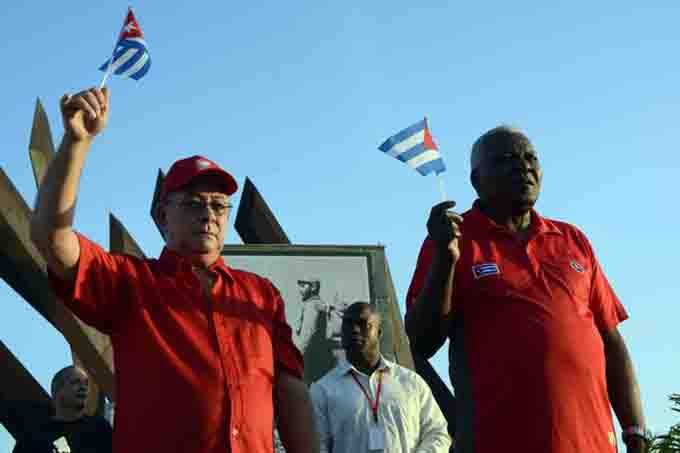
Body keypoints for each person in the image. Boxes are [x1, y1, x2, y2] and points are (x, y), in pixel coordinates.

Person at [30, 87, 319, 453]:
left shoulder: (261, 295)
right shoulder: (130, 283)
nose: (209, 214)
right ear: (163, 216)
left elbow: (290, 390)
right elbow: (50, 236)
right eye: (194, 203)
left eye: (219, 205)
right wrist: (76, 142)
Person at [405, 126, 647, 453]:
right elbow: (420, 341)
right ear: (477, 179)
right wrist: (445, 260)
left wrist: (635, 430)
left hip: (592, 443)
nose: (524, 166)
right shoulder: (454, 239)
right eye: (507, 159)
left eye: (530, 157)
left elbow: (611, 341)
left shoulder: (572, 240)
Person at [310, 302, 451, 453]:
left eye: (363, 324)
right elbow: (317, 446)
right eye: (348, 324)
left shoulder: (412, 383)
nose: (355, 330)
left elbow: (438, 433)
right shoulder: (322, 391)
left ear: (379, 333)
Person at [12, 366, 112, 453]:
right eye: (75, 382)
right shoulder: (33, 436)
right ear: (57, 390)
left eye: (86, 384)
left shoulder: (100, 428)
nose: (83, 387)